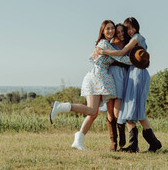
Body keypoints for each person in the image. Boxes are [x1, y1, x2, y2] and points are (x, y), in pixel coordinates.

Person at [50, 20, 132, 151]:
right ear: (103, 31)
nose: (111, 31)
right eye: (108, 29)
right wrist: (137, 61)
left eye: (112, 29)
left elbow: (92, 58)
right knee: (92, 111)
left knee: (93, 114)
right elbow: (121, 58)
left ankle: (78, 139)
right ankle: (61, 106)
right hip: (96, 78)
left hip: (99, 77)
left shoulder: (104, 44)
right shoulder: (105, 44)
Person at [96, 17, 162, 153]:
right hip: (132, 74)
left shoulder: (137, 37)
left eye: (132, 27)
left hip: (138, 74)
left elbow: (121, 53)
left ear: (136, 27)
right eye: (128, 29)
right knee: (132, 110)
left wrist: (103, 51)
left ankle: (141, 144)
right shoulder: (132, 40)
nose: (130, 31)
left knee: (133, 109)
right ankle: (146, 144)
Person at [105, 23, 131, 151]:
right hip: (110, 77)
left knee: (117, 113)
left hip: (122, 77)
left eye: (122, 32)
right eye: (118, 32)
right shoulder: (109, 45)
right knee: (110, 114)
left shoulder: (127, 46)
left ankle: (121, 135)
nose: (120, 34)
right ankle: (113, 142)